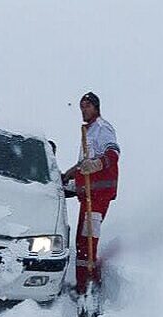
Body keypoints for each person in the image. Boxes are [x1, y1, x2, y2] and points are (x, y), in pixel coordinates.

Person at [62, 92, 120, 294]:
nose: (83, 110)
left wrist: (96, 164)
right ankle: (82, 283)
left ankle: (87, 286)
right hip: (87, 196)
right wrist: (69, 174)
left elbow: (112, 154)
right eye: (81, 107)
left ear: (96, 107)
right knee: (82, 240)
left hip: (99, 195)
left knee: (88, 240)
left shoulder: (102, 128)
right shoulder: (88, 132)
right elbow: (83, 164)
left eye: (87, 106)